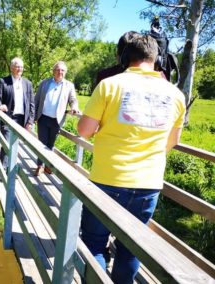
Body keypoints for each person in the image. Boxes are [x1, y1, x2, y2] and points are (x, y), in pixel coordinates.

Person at [77, 34, 186, 284]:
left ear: (126, 57)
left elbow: (84, 130)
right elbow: (173, 141)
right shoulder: (176, 95)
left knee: (94, 243)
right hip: (149, 184)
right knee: (131, 248)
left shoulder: (109, 85)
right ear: (156, 59)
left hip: (108, 180)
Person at [34, 61, 79, 176]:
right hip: (43, 117)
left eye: (62, 70)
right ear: (53, 71)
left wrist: (74, 107)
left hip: (57, 119)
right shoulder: (45, 83)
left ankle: (48, 166)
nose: (60, 72)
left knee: (51, 144)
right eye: (58, 70)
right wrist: (33, 116)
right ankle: (40, 166)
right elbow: (36, 99)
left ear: (65, 72)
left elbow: (73, 99)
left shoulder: (69, 85)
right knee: (41, 143)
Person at [0, 57, 34, 170]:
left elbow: (31, 104)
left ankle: (12, 169)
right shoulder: (3, 81)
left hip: (22, 120)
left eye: (21, 67)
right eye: (16, 66)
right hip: (8, 118)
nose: (19, 69)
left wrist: (30, 121)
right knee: (7, 144)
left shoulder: (28, 83)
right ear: (11, 68)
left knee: (16, 145)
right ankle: (3, 170)